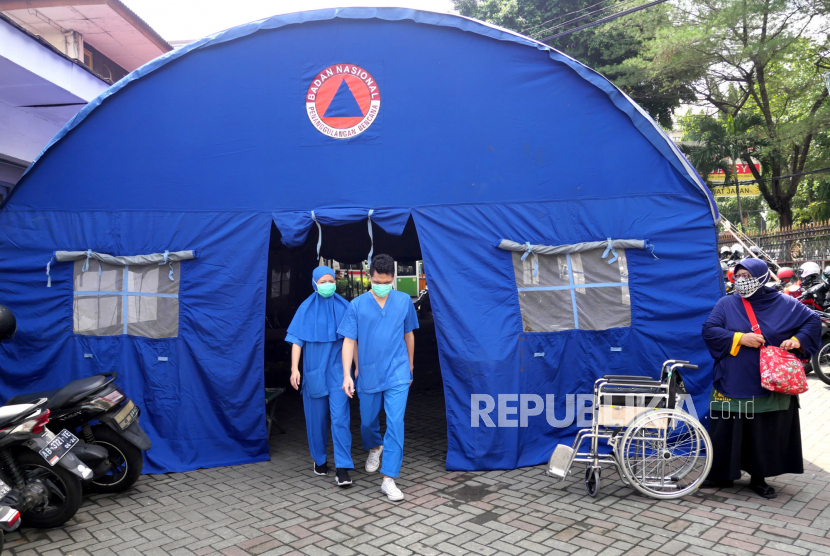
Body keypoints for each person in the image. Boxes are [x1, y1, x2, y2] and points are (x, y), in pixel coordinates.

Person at [702, 258, 820, 498]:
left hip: (771, 381)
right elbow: (710, 330)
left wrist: (797, 341)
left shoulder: (785, 303)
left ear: (763, 277)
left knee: (763, 429)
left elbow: (812, 320)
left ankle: (759, 478)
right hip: (732, 378)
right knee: (726, 428)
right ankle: (721, 475)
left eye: (748, 275)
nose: (743, 281)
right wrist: (739, 339)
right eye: (739, 276)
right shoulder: (727, 303)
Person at [338, 254, 418, 501]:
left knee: (395, 423)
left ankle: (389, 478)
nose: (381, 285)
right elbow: (349, 340)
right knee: (367, 421)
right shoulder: (357, 305)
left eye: (385, 281)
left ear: (392, 279)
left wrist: (411, 367)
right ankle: (375, 445)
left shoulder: (404, 301)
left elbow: (409, 335)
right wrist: (347, 375)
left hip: (397, 371)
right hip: (369, 372)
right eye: (376, 280)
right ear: (369, 277)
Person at [286, 265, 354, 486]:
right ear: (314, 283)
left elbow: (352, 341)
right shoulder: (305, 309)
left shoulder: (345, 307)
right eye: (323, 281)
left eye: (331, 281)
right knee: (316, 421)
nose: (328, 285)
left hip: (338, 372)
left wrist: (356, 368)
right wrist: (294, 369)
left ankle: (343, 467)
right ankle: (320, 460)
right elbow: (297, 340)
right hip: (314, 371)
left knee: (340, 419)